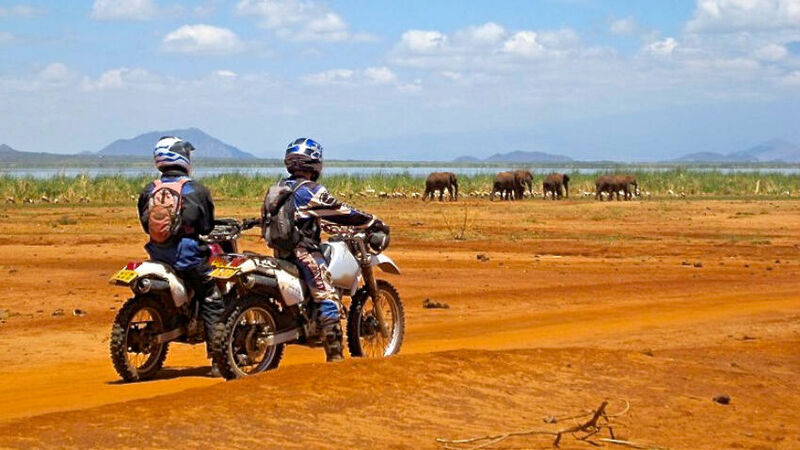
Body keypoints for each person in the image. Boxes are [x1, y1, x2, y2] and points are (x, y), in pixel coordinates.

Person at [275, 137, 387, 362]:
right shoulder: (310, 191)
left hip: (281, 254)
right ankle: (335, 355)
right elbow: (340, 210)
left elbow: (299, 217)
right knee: (327, 295)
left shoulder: (278, 188)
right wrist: (371, 221)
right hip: (304, 254)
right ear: (314, 164)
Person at [137, 136, 223, 373]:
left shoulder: (150, 189)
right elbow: (207, 226)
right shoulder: (195, 189)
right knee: (211, 295)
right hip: (187, 257)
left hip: (156, 254)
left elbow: (145, 223)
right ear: (182, 157)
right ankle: (218, 359)